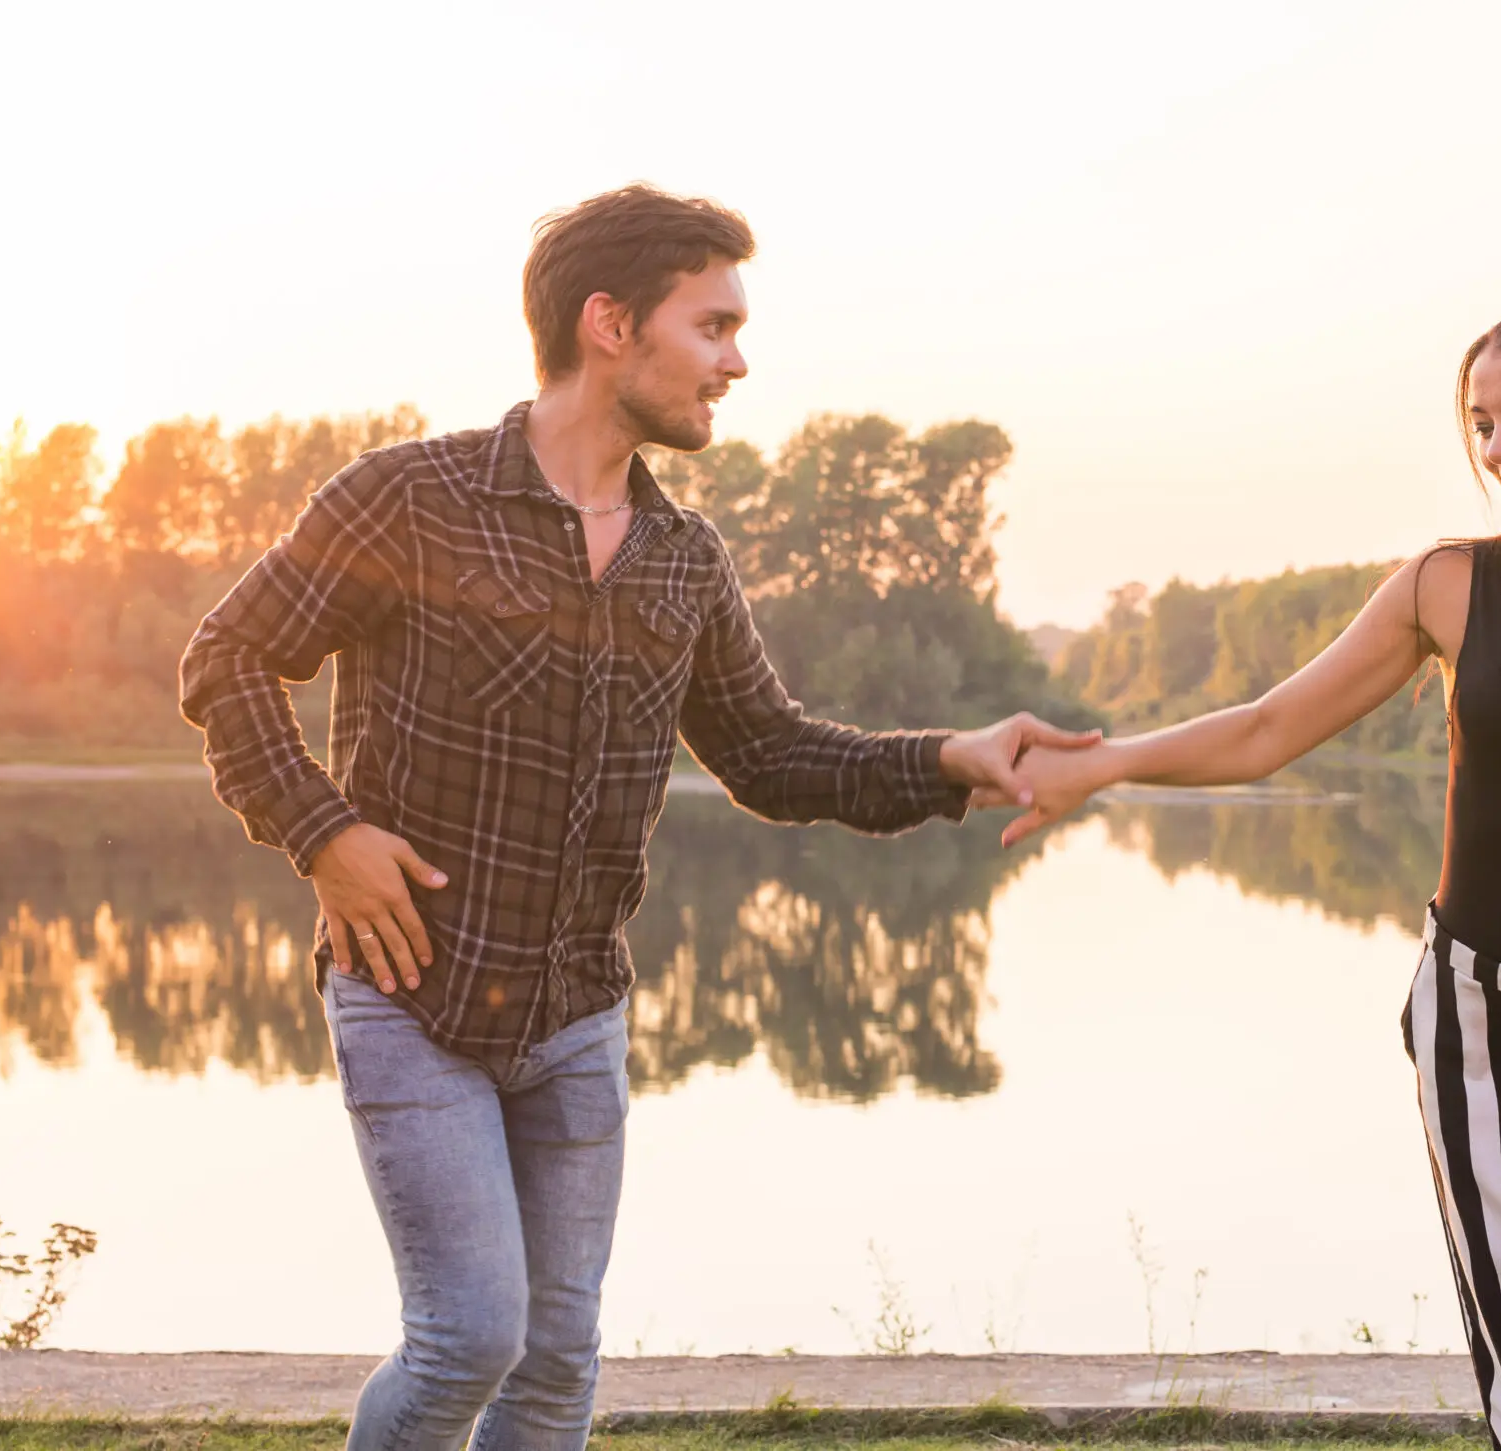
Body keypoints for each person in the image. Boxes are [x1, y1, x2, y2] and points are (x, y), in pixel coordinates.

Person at [179, 183, 1094, 1451]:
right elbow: (226, 660)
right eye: (711, 325)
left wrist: (953, 756)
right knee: (469, 1340)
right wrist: (323, 834)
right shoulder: (408, 500)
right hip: (415, 997)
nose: (736, 360)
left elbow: (772, 756)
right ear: (611, 323)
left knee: (557, 1369)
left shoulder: (685, 560)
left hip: (577, 1018)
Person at [993, 300, 1501, 1451]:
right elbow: (1269, 728)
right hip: (1468, 1019)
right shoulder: (1446, 584)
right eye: (1482, 425)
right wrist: (1105, 767)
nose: (1500, 447)